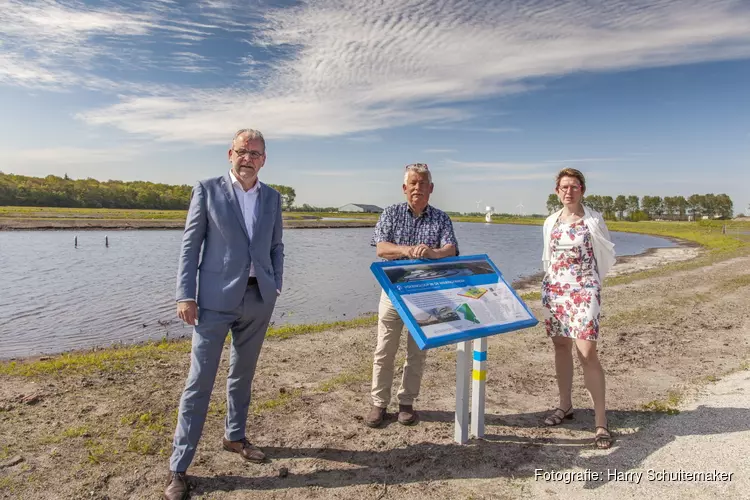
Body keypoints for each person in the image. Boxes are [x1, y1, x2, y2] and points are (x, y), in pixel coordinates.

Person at [165, 129, 284, 500]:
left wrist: (275, 284)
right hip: (213, 303)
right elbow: (190, 246)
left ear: (264, 159)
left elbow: (277, 244)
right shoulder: (207, 190)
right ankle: (179, 468)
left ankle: (235, 437)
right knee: (198, 384)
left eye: (255, 153)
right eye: (242, 151)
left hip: (258, 300)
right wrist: (186, 295)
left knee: (242, 376)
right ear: (230, 154)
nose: (248, 158)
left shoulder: (272, 198)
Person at [365, 163, 459, 428]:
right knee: (384, 349)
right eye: (413, 183)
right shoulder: (391, 213)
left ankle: (407, 403)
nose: (418, 188)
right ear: (405, 188)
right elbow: (381, 249)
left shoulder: (441, 218)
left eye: (423, 183)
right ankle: (378, 404)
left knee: (417, 352)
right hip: (393, 292)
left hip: (426, 295)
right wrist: (407, 251)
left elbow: (451, 250)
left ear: (431, 188)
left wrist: (432, 253)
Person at [541, 168, 616, 449]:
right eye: (563, 187)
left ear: (582, 189)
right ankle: (565, 406)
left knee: (587, 352)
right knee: (560, 347)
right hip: (555, 292)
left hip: (584, 291)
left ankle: (600, 421)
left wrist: (593, 286)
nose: (568, 191)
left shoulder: (592, 220)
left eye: (573, 186)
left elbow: (605, 255)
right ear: (556, 191)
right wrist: (550, 286)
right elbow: (548, 258)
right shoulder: (550, 221)